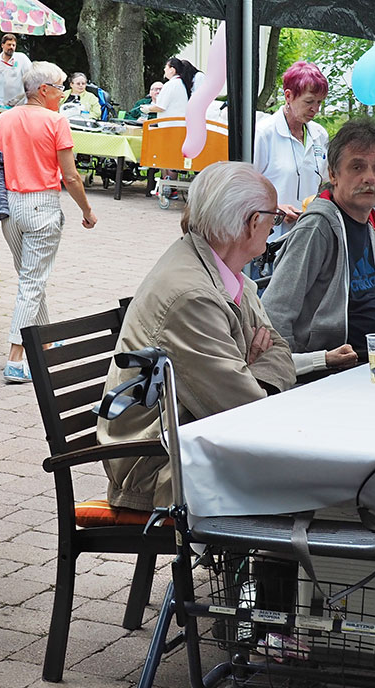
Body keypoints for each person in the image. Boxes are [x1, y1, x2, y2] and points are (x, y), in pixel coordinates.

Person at [97, 162, 297, 510]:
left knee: (308, 475)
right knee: (312, 482)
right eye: (273, 218)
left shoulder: (225, 273)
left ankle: (274, 562)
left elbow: (278, 348)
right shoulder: (193, 294)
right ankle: (279, 563)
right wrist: (248, 369)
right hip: (158, 467)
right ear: (252, 222)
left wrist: (246, 370)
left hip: (190, 443)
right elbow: (246, 410)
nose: (273, 227)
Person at [262, 119, 375, 371]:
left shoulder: (371, 222)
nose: (369, 177)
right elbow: (276, 309)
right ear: (332, 174)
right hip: (340, 368)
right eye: (357, 166)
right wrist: (288, 371)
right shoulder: (318, 227)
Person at [0, 61, 98, 383]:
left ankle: (45, 339)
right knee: (32, 283)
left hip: (10, 207)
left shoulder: (5, 119)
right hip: (41, 206)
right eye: (61, 87)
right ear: (44, 90)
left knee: (31, 278)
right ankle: (15, 358)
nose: (63, 94)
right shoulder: (56, 121)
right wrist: (87, 211)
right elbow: (71, 176)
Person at [253, 61, 330, 239]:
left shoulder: (320, 134)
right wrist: (277, 209)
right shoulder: (264, 133)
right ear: (289, 96)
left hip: (308, 234)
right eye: (309, 101)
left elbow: (325, 183)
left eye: (319, 102)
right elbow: (246, 190)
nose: (315, 109)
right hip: (270, 236)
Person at [0, 33, 32, 106]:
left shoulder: (21, 58)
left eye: (13, 45)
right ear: (2, 45)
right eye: (9, 45)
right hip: (0, 103)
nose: (11, 47)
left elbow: (31, 76)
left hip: (19, 103)